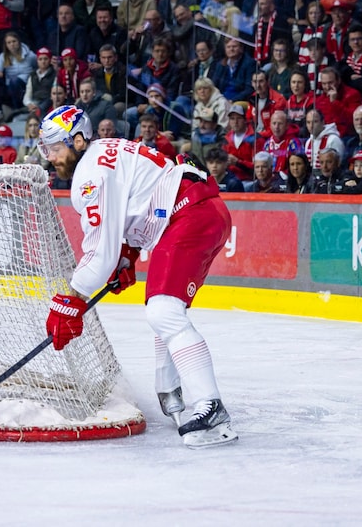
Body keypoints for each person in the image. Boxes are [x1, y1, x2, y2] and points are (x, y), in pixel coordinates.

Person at [38, 105, 238, 449]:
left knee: (163, 311)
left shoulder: (91, 174)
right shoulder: (107, 150)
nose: (51, 157)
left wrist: (73, 300)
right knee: (167, 310)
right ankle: (170, 388)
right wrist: (129, 253)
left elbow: (99, 254)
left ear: (79, 140)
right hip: (200, 210)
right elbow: (141, 197)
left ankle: (211, 406)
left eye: (56, 148)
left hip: (188, 215)